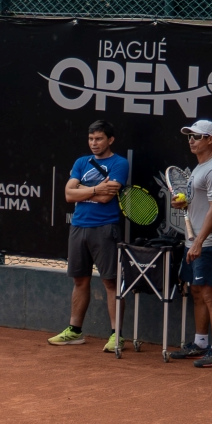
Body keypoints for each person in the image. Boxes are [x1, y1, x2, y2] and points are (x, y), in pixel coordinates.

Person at [50, 120, 130, 350]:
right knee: (80, 280)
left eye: (99, 139)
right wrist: (95, 189)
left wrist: (81, 191)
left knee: (110, 282)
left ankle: (116, 335)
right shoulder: (81, 162)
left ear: (110, 140)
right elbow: (68, 194)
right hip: (78, 226)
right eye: (91, 139)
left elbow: (106, 198)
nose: (94, 143)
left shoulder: (119, 163)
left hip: (105, 228)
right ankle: (75, 331)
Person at [176, 119, 212, 367]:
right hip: (196, 241)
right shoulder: (199, 168)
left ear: (210, 140)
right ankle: (200, 343)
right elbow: (200, 203)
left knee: (210, 294)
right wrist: (184, 203)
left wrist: (199, 242)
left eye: (197, 136)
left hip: (210, 243)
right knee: (197, 292)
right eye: (189, 136)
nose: (191, 140)